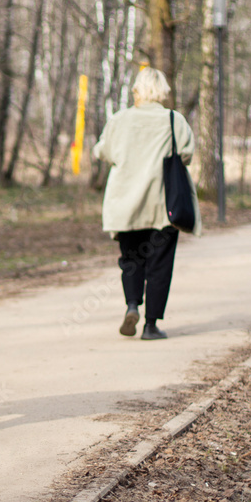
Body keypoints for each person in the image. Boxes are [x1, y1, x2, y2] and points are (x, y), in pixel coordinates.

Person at [94, 67, 201, 340]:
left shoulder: (119, 120)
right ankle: (151, 325)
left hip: (125, 204)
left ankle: (132, 305)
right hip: (162, 205)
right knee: (159, 264)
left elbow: (102, 151)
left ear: (137, 90)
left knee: (130, 260)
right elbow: (187, 153)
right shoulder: (173, 120)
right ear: (162, 90)